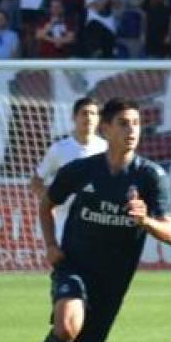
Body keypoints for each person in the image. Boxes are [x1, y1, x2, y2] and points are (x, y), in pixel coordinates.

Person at [0, 99, 171, 342]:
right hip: (75, 267)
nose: (132, 131)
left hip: (112, 286)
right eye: (124, 124)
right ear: (106, 129)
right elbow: (46, 204)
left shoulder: (150, 177)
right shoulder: (81, 170)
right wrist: (50, 244)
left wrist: (146, 221)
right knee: (67, 325)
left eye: (137, 124)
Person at [32, 97, 108, 239]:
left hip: (98, 223)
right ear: (74, 117)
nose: (89, 118)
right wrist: (52, 199)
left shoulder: (106, 149)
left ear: (99, 119)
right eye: (84, 113)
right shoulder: (59, 149)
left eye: (93, 113)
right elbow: (36, 182)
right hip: (65, 224)